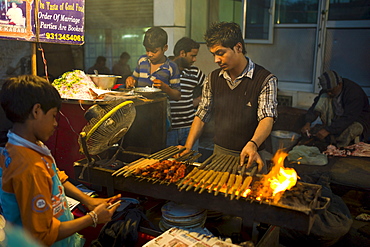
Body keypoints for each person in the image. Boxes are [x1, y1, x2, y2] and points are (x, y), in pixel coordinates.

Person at [0, 75, 121, 246]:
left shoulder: (24, 145)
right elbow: (42, 236)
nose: (56, 124)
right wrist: (93, 218)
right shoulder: (29, 166)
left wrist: (88, 200)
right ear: (36, 111)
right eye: (53, 116)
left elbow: (55, 175)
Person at [180, 22, 278, 172]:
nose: (216, 60)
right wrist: (188, 146)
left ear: (238, 48)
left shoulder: (265, 79)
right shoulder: (213, 78)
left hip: (251, 156)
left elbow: (267, 118)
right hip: (219, 155)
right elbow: (202, 114)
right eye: (213, 54)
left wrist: (253, 144)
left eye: (220, 53)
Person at [301, 70, 370, 147]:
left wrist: (328, 130)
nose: (329, 93)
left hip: (357, 120)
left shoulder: (354, 93)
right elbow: (315, 107)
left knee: (348, 132)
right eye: (327, 91)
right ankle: (330, 139)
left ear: (339, 84)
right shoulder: (327, 91)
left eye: (331, 91)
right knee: (323, 97)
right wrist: (308, 123)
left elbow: (349, 118)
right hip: (338, 117)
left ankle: (338, 149)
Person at [167, 37, 206, 150]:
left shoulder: (194, 72)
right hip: (170, 130)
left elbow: (210, 89)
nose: (194, 60)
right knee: (169, 163)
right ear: (182, 53)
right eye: (192, 56)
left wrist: (198, 100)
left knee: (191, 163)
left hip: (190, 128)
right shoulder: (164, 71)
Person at [125, 26, 181, 101]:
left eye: (154, 51)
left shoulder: (171, 67)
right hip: (141, 108)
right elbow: (134, 79)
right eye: (147, 50)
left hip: (160, 109)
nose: (150, 54)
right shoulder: (142, 61)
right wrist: (130, 80)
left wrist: (165, 88)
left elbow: (177, 96)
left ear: (165, 48)